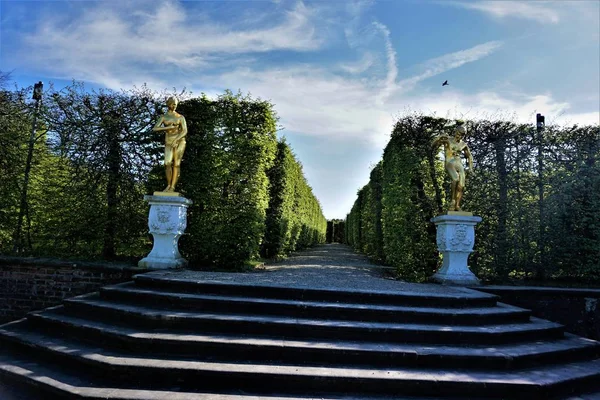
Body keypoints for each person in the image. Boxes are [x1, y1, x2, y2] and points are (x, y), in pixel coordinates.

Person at [431, 123, 474, 211]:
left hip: (459, 163)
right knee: (455, 179)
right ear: (455, 132)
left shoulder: (463, 144)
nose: (459, 136)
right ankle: (452, 201)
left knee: (461, 186)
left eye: (461, 135)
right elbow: (433, 145)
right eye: (458, 134)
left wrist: (470, 168)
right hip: (449, 162)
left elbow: (469, 156)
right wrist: (439, 137)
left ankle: (457, 206)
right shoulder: (447, 140)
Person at [152, 96, 187, 192]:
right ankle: (168, 185)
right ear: (168, 104)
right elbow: (155, 128)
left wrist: (176, 140)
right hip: (168, 141)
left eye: (176, 104)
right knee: (167, 163)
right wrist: (167, 128)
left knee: (176, 164)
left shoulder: (180, 117)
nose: (174, 105)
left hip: (179, 141)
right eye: (173, 104)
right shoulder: (164, 117)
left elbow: (184, 131)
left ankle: (172, 187)